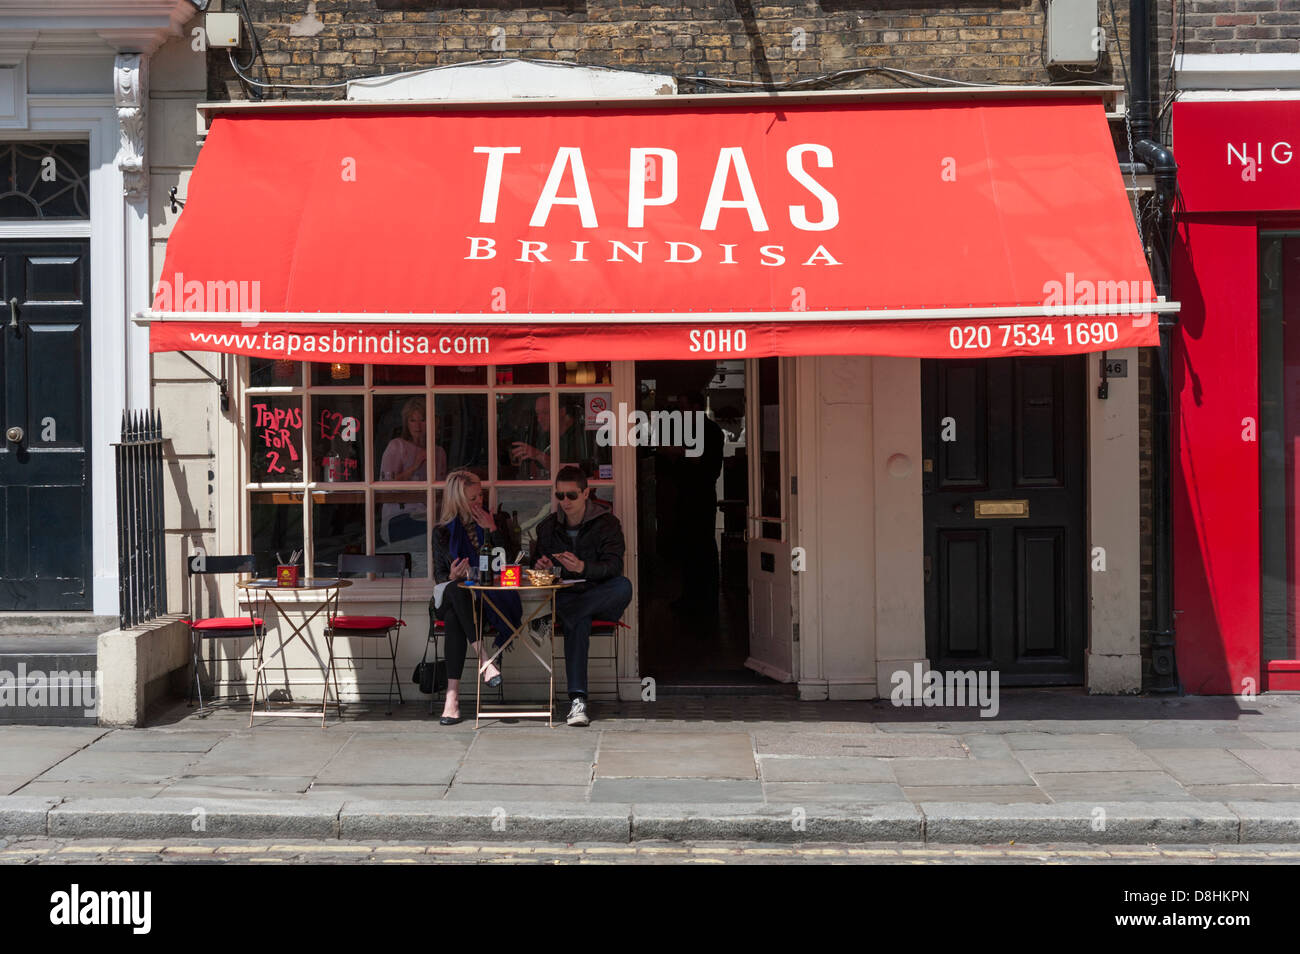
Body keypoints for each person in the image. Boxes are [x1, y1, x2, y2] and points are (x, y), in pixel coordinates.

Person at [530, 465, 632, 727]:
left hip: (601, 597)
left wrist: (583, 568)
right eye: (560, 496)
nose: (565, 502)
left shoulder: (607, 523)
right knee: (578, 620)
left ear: (586, 493)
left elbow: (613, 567)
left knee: (623, 586)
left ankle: (549, 620)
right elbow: (537, 567)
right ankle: (578, 701)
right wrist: (540, 566)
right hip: (568, 595)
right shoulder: (548, 527)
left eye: (571, 496)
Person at [430, 469, 522, 725]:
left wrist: (492, 530)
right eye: (472, 498)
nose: (478, 502)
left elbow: (510, 563)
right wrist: (450, 574)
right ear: (457, 500)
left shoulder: (496, 521)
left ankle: (452, 699)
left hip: (485, 601)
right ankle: (485, 660)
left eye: (480, 495)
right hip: (451, 595)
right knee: (457, 588)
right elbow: (439, 578)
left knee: (453, 619)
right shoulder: (442, 533)